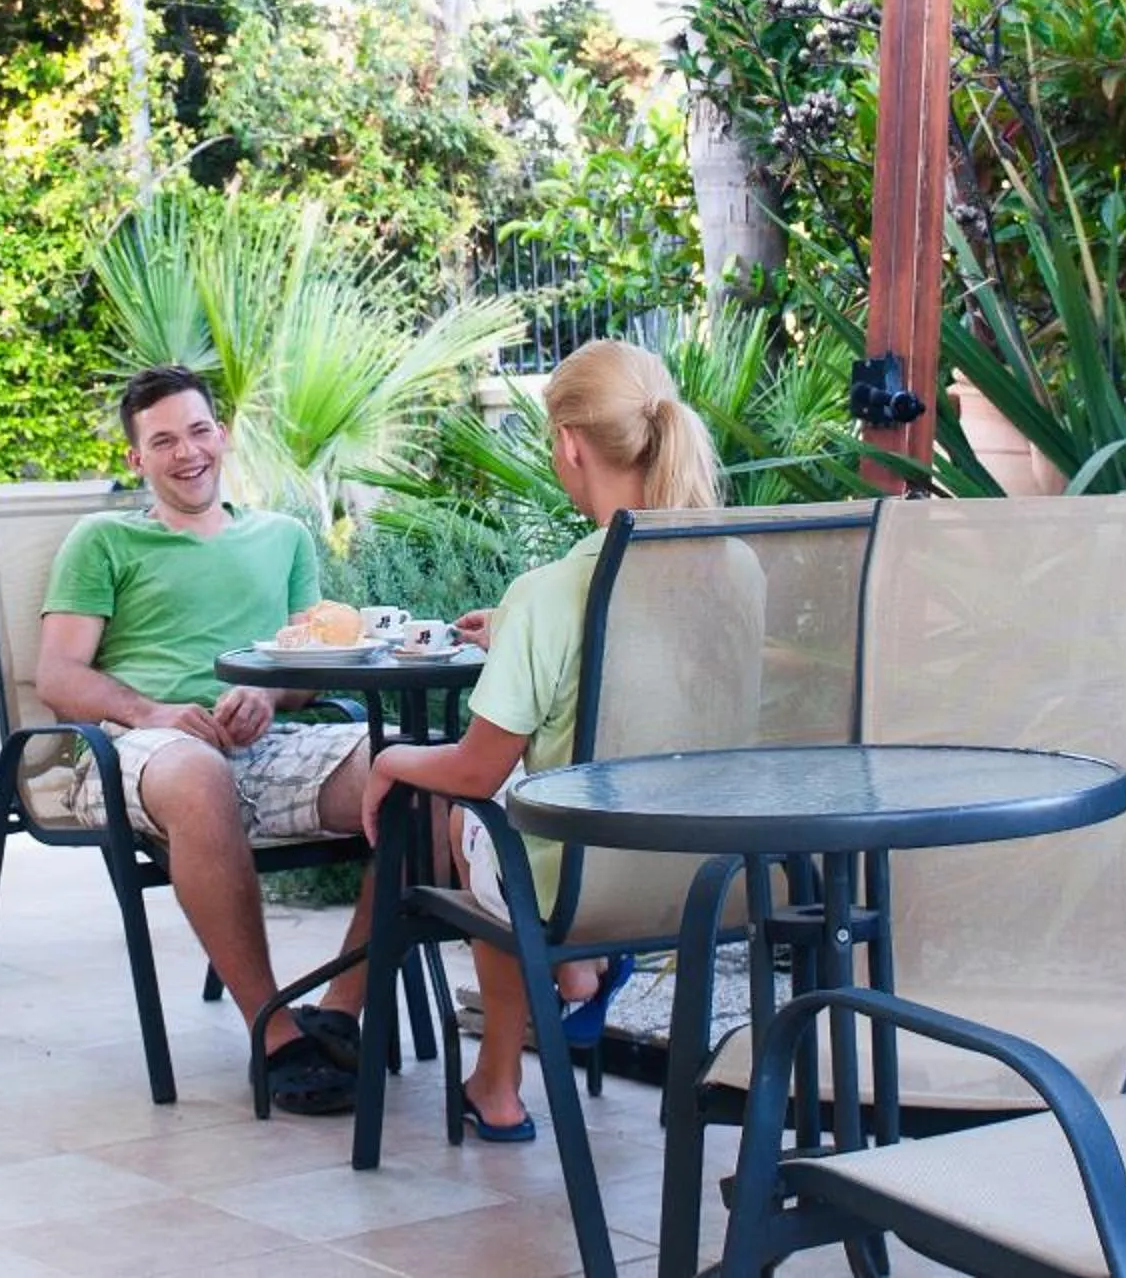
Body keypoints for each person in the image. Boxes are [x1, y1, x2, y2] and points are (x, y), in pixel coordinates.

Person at [362, 338, 725, 1142]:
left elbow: (474, 765)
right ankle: (572, 977)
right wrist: (522, 639)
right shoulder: (734, 567)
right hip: (706, 871)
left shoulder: (549, 595)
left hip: (581, 883)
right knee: (512, 810)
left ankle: (506, 1072)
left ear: (567, 445)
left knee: (483, 810)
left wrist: (389, 759)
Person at [38, 364, 377, 1115]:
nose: (186, 452)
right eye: (162, 441)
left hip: (266, 742)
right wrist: (153, 713)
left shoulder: (282, 539)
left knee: (409, 776)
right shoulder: (102, 540)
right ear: (136, 459)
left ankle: (340, 1012)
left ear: (221, 435)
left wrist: (267, 691)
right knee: (197, 776)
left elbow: (305, 665)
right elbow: (58, 675)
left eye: (198, 431)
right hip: (145, 750)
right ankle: (275, 1031)